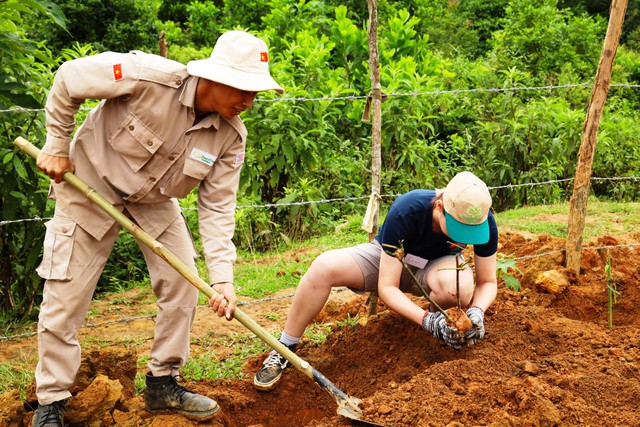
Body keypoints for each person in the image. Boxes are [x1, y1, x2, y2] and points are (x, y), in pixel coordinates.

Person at [31, 30, 283, 426]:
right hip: (90, 186)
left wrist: (223, 280)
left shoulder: (230, 136)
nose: (250, 101)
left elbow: (217, 207)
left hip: (153, 201)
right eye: (243, 89)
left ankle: (163, 382)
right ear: (213, 78)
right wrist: (57, 145)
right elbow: (69, 78)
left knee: (184, 281)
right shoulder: (146, 77)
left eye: (256, 92)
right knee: (65, 296)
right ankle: (51, 403)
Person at [253, 171, 498, 391]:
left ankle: (440, 332)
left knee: (460, 290)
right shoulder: (408, 209)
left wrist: (477, 311)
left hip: (436, 268)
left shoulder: (481, 221)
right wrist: (426, 319)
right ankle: (284, 348)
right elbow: (387, 286)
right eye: (457, 227)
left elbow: (487, 281)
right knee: (323, 267)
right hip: (389, 261)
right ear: (440, 205)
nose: (464, 236)